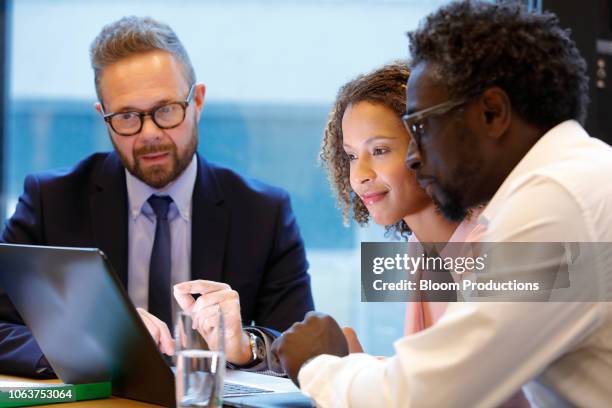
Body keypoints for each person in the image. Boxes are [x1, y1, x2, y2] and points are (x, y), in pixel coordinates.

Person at [272, 2, 612, 406]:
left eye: (421, 126)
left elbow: (426, 396)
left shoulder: (556, 204)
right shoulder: (577, 178)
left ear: (492, 112)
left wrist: (318, 363)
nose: (415, 154)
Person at [0, 16, 313, 378]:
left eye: (165, 110)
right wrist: (86, 343)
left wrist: (245, 346)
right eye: (128, 116)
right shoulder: (50, 201)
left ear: (197, 101)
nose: (149, 134)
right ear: (103, 117)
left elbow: (301, 346)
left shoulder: (264, 212)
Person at [319, 62, 484, 344]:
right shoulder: (419, 247)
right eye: (351, 156)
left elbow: (456, 382)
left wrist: (351, 370)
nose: (359, 177)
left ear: (432, 146)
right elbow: (427, 372)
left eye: (379, 150)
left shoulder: (489, 244)